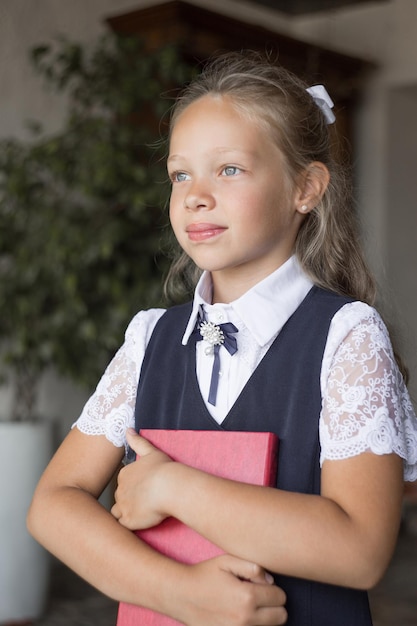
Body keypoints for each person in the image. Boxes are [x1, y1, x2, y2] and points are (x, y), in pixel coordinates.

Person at [28, 51, 417, 626]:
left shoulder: (347, 337)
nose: (196, 195)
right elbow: (51, 506)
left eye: (229, 169)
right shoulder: (149, 339)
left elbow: (360, 551)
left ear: (304, 188)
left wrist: (171, 486)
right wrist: (178, 591)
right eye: (180, 174)